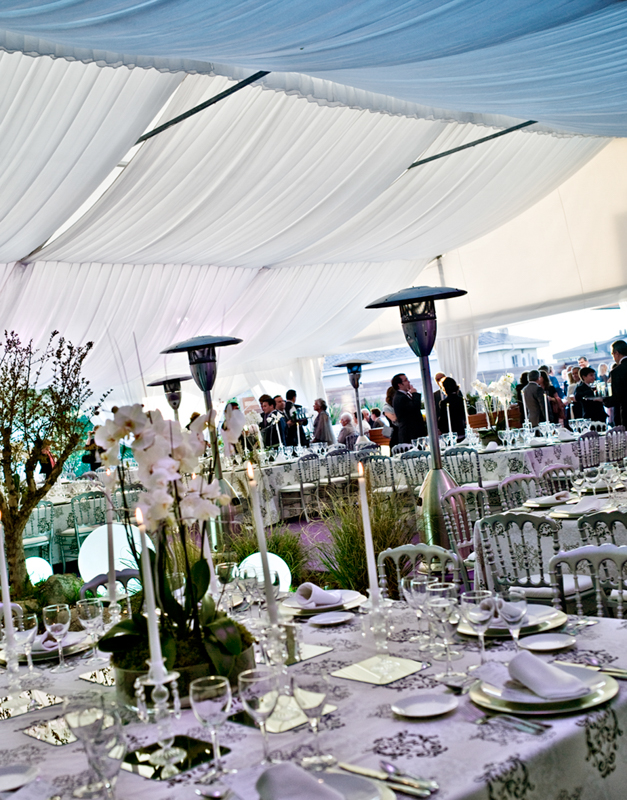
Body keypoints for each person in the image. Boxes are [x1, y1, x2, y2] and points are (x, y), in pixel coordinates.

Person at [392, 373, 427, 444]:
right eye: (406, 380)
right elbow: (415, 407)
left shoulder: (404, 395)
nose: (408, 382)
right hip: (409, 433)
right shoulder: (400, 397)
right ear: (400, 384)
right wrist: (415, 394)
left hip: (413, 431)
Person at [603, 340, 627, 426]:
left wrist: (604, 400)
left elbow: (617, 397)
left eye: (612, 354)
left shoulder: (617, 371)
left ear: (617, 353)